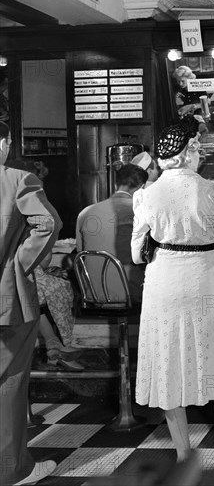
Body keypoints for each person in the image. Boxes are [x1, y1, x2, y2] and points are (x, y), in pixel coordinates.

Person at [131, 120, 214, 463]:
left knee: (167, 361)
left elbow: (135, 254)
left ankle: (183, 452)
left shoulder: (145, 195)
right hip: (202, 277)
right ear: (189, 151)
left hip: (163, 281)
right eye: (197, 148)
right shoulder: (213, 190)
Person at [0, 121, 59, 485]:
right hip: (6, 300)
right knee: (8, 383)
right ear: (4, 141)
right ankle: (12, 471)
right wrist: (18, 264)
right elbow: (47, 223)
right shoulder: (17, 180)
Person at [5, 158, 82, 372]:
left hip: (18, 281)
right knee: (55, 289)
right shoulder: (32, 210)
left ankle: (54, 345)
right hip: (20, 280)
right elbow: (44, 254)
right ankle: (58, 345)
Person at [76, 163, 148, 303]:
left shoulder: (85, 212)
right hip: (130, 292)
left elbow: (80, 253)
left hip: (92, 292)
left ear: (116, 183)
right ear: (142, 187)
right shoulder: (141, 212)